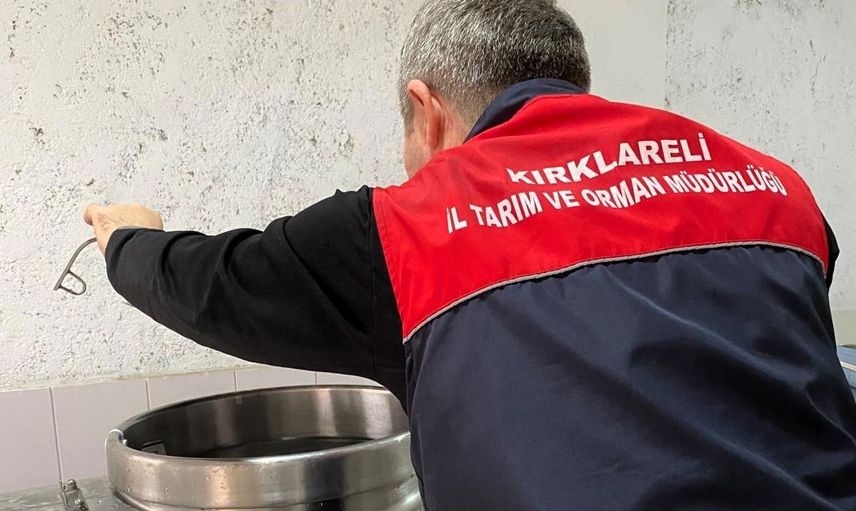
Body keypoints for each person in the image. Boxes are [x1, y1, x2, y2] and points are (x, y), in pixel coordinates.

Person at [83, 0, 856, 509]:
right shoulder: (773, 184)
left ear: (426, 110)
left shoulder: (410, 226)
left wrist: (125, 235)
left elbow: (211, 284)